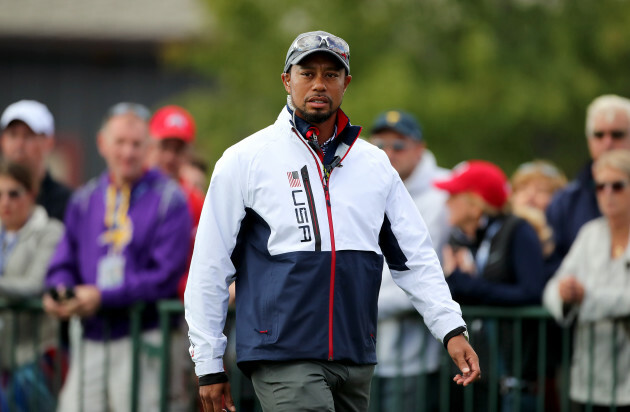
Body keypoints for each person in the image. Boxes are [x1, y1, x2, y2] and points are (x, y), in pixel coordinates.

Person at [185, 30, 480, 412]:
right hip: (283, 353)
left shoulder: (375, 164)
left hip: (355, 355)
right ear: (286, 80)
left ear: (346, 83)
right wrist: (208, 362)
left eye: (331, 74)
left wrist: (451, 329)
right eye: (307, 73)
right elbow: (209, 265)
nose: (319, 84)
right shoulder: (245, 159)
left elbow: (416, 257)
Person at [43, 102, 192, 412]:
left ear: (148, 147)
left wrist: (102, 296)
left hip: (145, 336)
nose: (128, 152)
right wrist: (59, 290)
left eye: (136, 144)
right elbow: (63, 260)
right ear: (102, 144)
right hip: (90, 337)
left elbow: (163, 276)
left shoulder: (170, 200)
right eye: (120, 142)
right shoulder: (85, 199)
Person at [434, 160, 547, 411]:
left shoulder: (518, 230)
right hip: (480, 375)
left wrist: (469, 285)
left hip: (514, 378)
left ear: (475, 204)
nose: (446, 202)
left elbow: (531, 293)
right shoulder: (461, 239)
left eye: (453, 195)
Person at [369, 110, 450, 412]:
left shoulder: (441, 195)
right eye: (380, 145)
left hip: (413, 359)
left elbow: (427, 276)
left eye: (399, 145)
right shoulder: (363, 186)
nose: (389, 153)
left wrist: (360, 303)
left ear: (419, 149)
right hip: (361, 354)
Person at [543, 149, 630, 411]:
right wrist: (565, 294)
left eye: (617, 186)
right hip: (589, 381)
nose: (608, 193)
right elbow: (551, 290)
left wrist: (586, 298)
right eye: (600, 186)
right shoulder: (590, 233)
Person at [0, 160, 63, 411]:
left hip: (34, 358)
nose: (5, 202)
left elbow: (35, 284)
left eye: (13, 194)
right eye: (0, 194)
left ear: (31, 194)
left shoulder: (50, 230)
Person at [546, 95, 630, 276]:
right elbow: (549, 263)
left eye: (617, 134)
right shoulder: (565, 202)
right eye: (599, 135)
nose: (608, 143)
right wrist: (571, 285)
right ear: (589, 140)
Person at [147, 105, 205, 300]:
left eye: (178, 150)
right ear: (150, 146)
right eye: (165, 147)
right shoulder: (134, 193)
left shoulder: (194, 199)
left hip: (180, 302)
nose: (170, 157)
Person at [1, 100, 72, 222]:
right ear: (2, 141)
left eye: (28, 136)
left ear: (49, 142)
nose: (19, 144)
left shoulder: (68, 204)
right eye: (13, 135)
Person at [510, 160, 566, 257]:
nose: (530, 195)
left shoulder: (564, 236)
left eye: (541, 190)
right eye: (522, 188)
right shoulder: (499, 230)